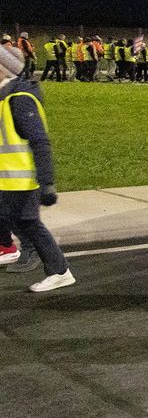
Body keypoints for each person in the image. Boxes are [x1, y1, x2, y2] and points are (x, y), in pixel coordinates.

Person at [0, 45, 75, 292]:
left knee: (29, 223)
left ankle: (58, 269)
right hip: (8, 180)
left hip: (20, 180)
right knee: (28, 223)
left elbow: (39, 141)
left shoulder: (20, 98)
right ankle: (59, 270)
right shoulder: (6, 96)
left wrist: (47, 182)